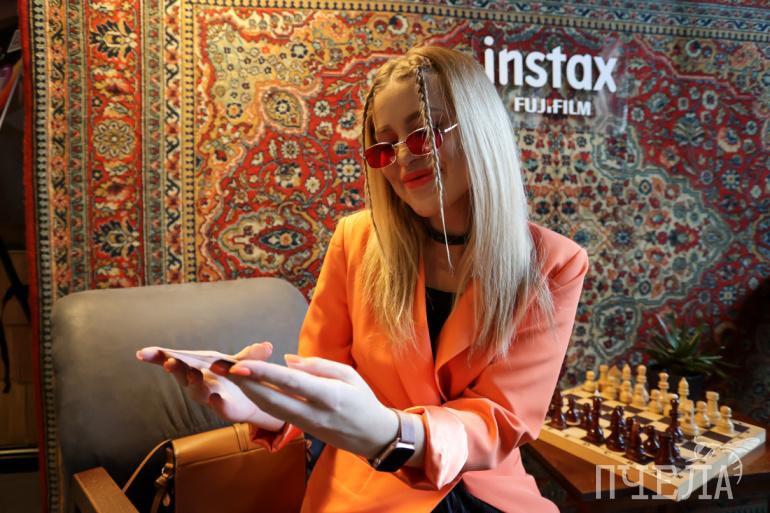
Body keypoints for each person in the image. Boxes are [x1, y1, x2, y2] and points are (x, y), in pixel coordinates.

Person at [138, 45, 588, 512]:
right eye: (384, 146)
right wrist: (252, 405)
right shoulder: (355, 241)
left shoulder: (555, 264)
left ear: (480, 129)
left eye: (423, 133)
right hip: (366, 491)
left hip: (484, 494)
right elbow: (316, 385)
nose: (402, 159)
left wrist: (390, 431)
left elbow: (500, 419)